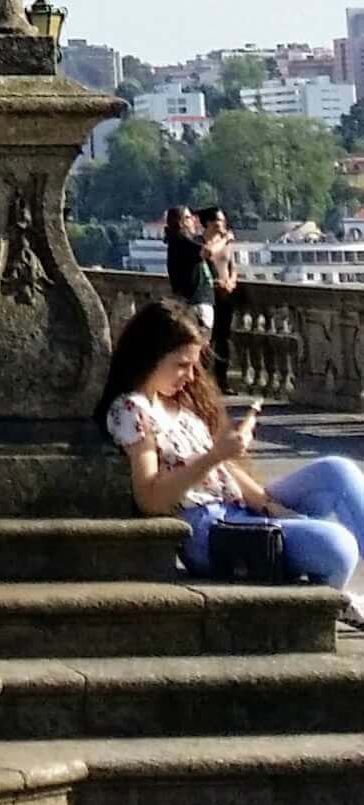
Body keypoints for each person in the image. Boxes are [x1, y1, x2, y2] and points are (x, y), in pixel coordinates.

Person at [101, 300, 364, 620]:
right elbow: (150, 498)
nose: (189, 376)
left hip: (238, 507)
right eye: (181, 365)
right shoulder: (132, 410)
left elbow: (224, 469)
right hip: (207, 528)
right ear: (151, 357)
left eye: (193, 366)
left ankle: (325, 591)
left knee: (338, 470)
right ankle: (323, 604)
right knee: (338, 546)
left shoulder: (176, 404)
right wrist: (214, 455)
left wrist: (267, 504)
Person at [199, 204, 243, 378]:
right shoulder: (201, 243)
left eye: (223, 221)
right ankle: (203, 377)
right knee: (207, 338)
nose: (222, 224)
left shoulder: (227, 245)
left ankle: (221, 378)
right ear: (208, 223)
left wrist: (231, 281)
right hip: (209, 295)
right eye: (218, 220)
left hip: (226, 296)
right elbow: (206, 258)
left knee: (224, 338)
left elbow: (233, 266)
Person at [164, 202, 208, 313]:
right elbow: (206, 251)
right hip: (193, 303)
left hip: (189, 301)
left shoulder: (179, 241)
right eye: (188, 217)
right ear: (180, 222)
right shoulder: (180, 241)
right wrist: (226, 239)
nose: (193, 220)